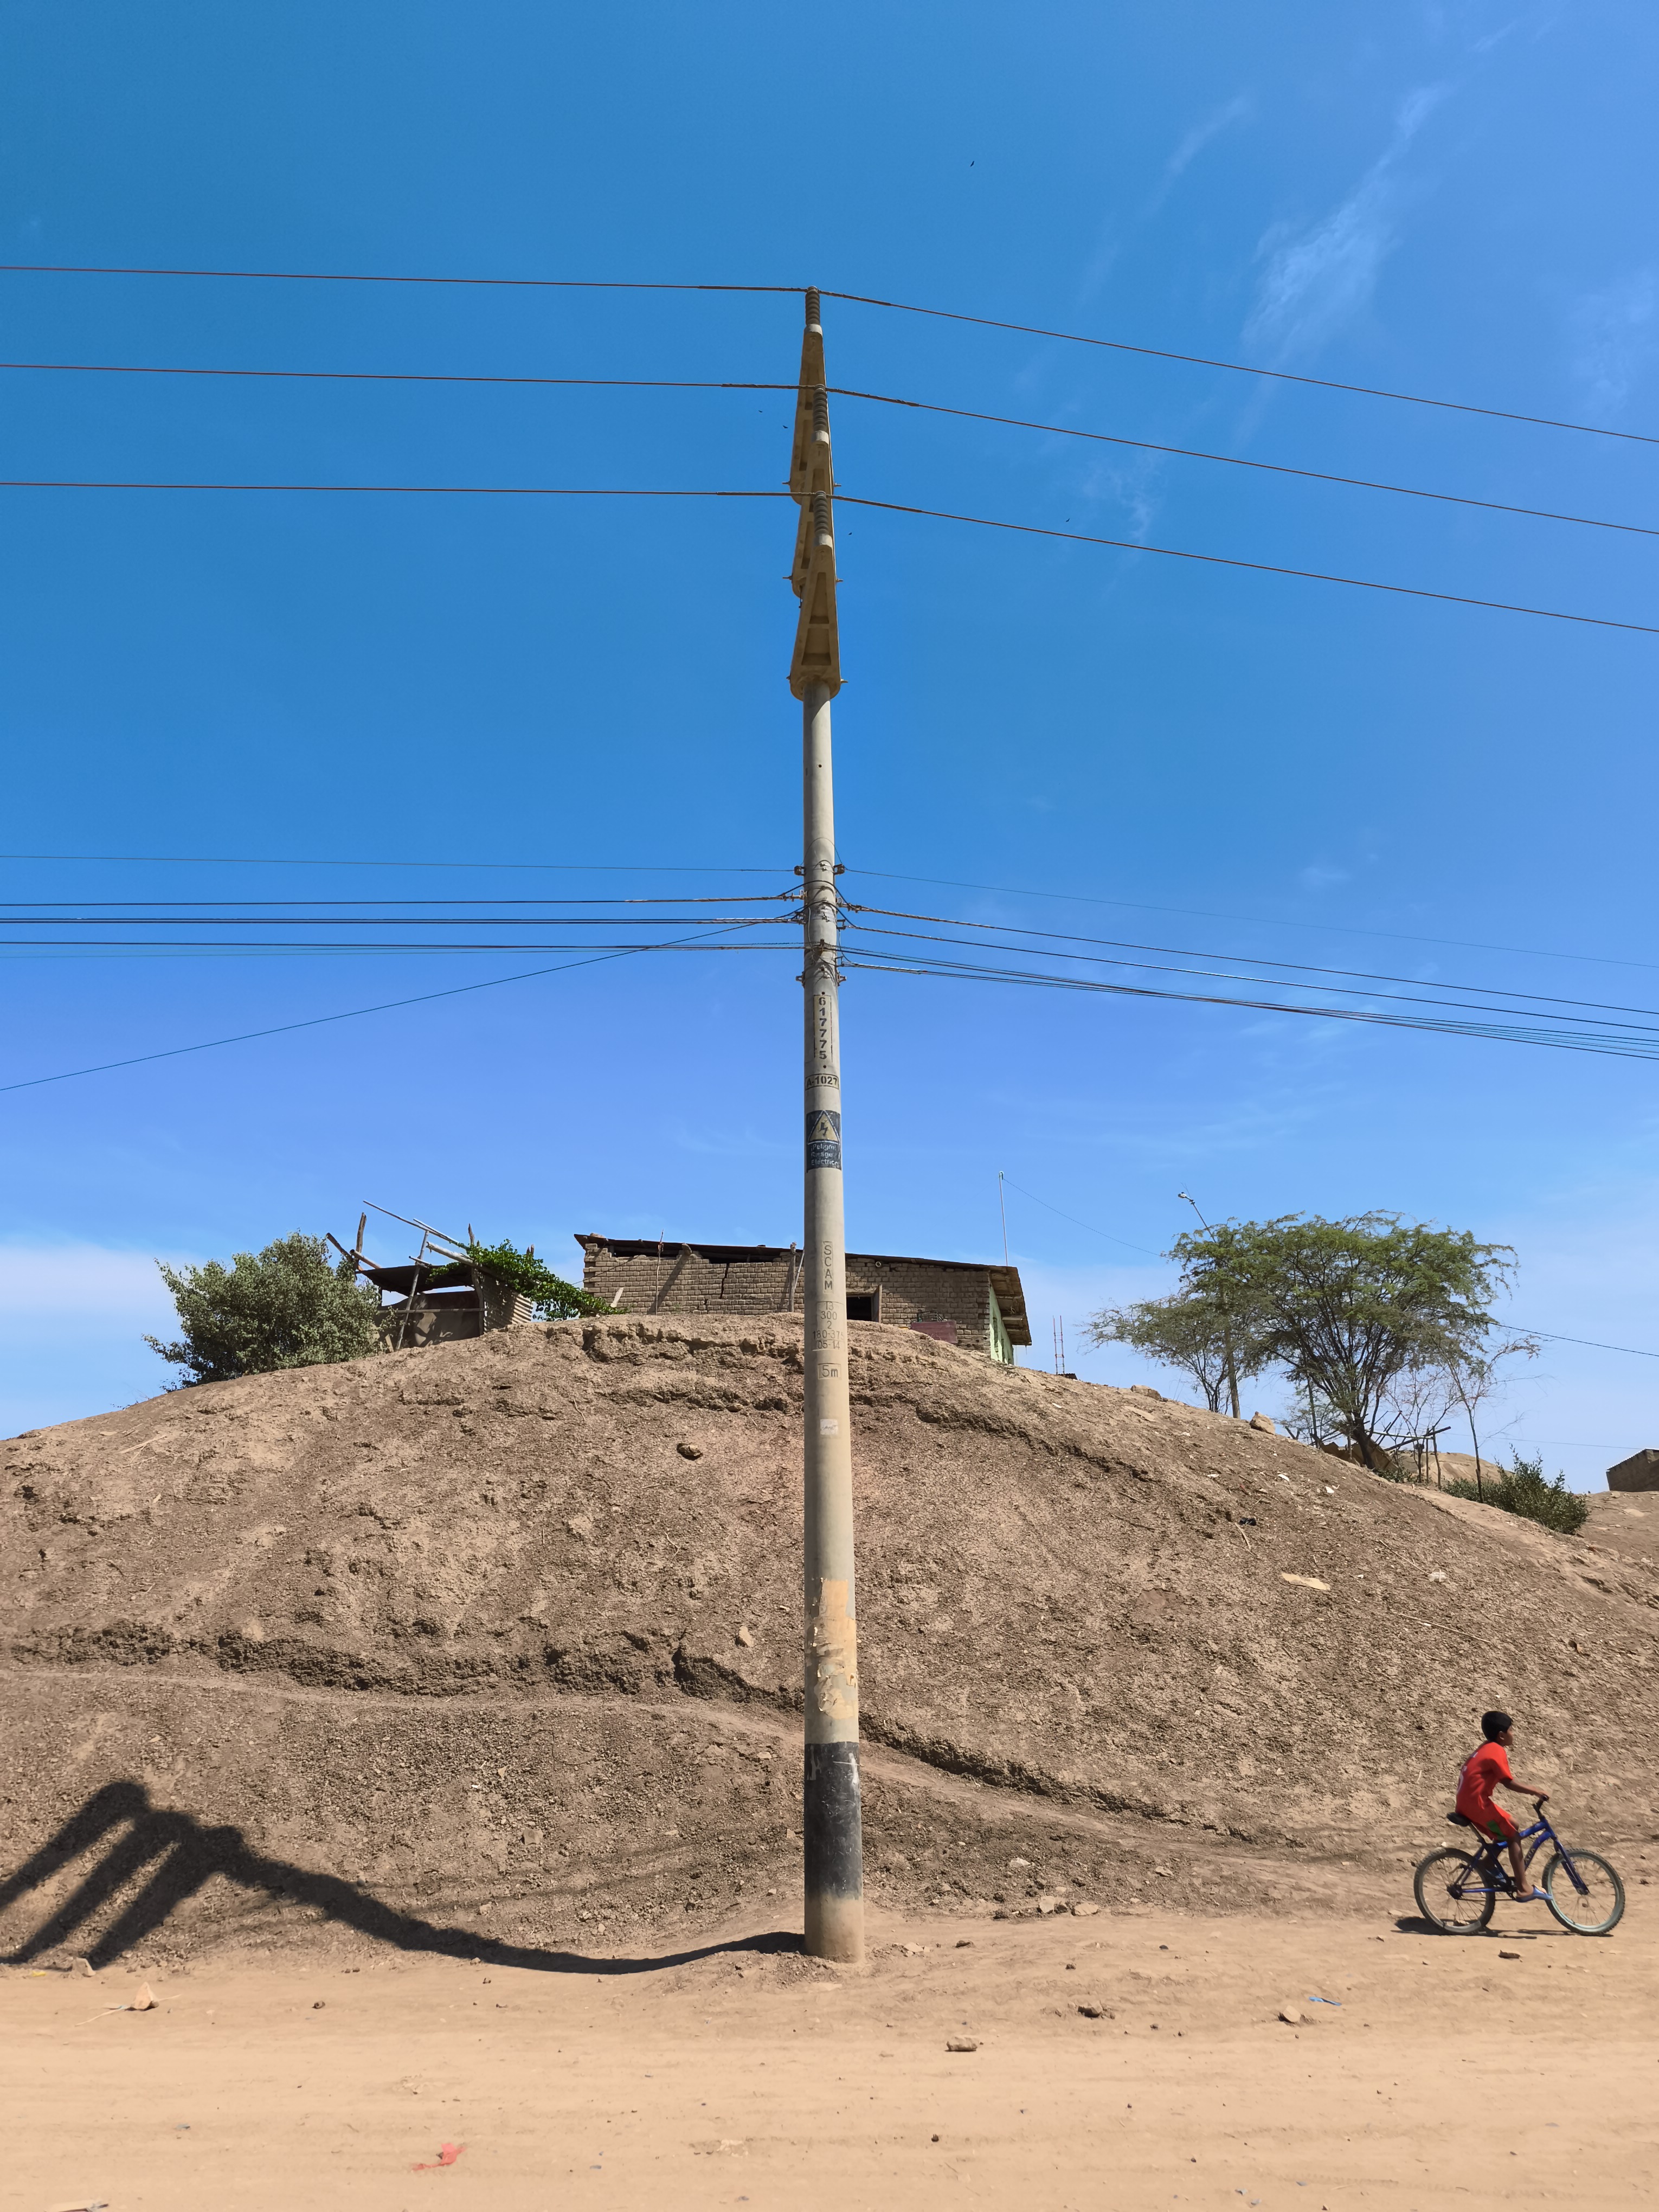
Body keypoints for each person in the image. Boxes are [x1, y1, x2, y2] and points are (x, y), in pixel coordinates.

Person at [1455, 1710, 1549, 1902]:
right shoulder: (1496, 1751)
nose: (1513, 1734)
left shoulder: (1485, 1747)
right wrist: (1535, 1791)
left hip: (1468, 1802)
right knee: (1513, 1837)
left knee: (1512, 1825)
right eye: (1511, 1730)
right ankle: (1523, 1888)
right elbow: (1508, 1783)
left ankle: (1488, 1865)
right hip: (1477, 1805)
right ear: (1501, 1735)